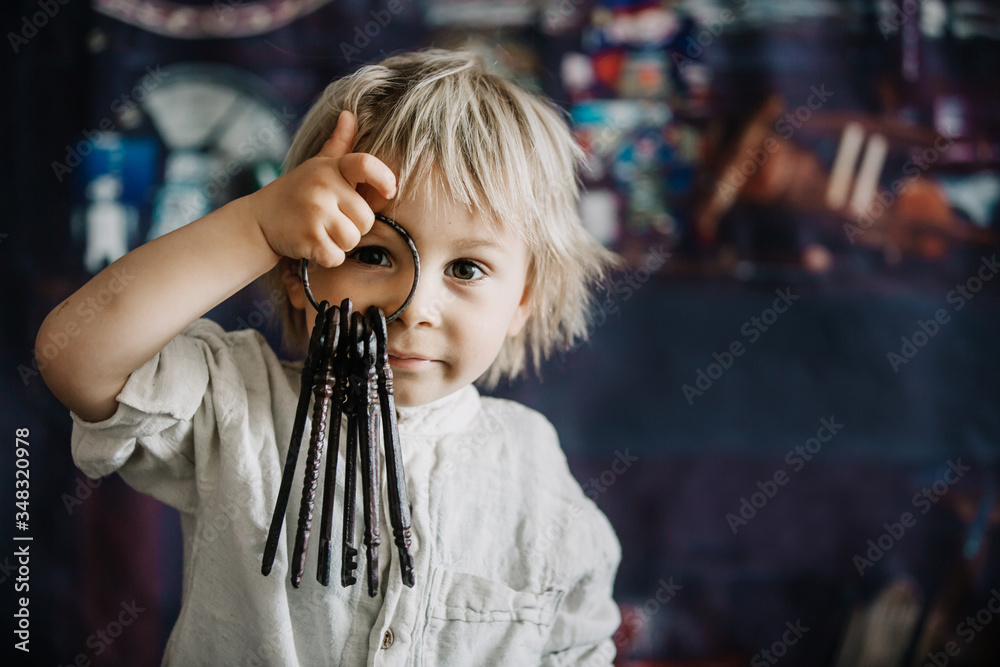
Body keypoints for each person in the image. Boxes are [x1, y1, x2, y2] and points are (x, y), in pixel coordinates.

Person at [37, 48, 622, 665]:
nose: (413, 307)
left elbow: (577, 642)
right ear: (298, 268)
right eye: (373, 255)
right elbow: (72, 354)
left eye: (468, 268)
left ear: (522, 299)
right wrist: (255, 227)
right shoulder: (234, 405)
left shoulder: (533, 462)